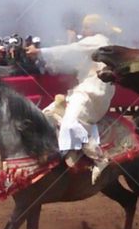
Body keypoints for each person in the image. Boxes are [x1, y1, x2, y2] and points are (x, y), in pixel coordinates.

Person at [27, 14, 120, 183]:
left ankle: (99, 158)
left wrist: (40, 51)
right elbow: (71, 56)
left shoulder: (98, 40)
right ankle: (70, 151)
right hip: (83, 90)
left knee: (70, 124)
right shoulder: (93, 44)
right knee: (46, 115)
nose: (83, 31)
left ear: (93, 28)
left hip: (92, 93)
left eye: (85, 28)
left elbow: (71, 50)